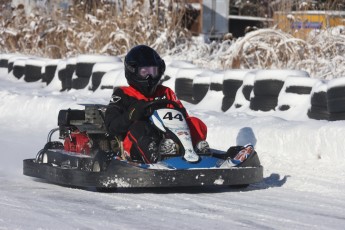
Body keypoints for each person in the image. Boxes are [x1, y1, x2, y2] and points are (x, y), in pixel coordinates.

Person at [104, 45, 209, 164]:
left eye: (153, 71)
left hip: (169, 141)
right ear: (132, 71)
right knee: (140, 127)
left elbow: (183, 117)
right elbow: (111, 125)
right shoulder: (123, 94)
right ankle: (157, 160)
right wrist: (130, 115)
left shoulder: (166, 92)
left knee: (195, 123)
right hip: (134, 147)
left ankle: (197, 154)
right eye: (144, 72)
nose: (149, 77)